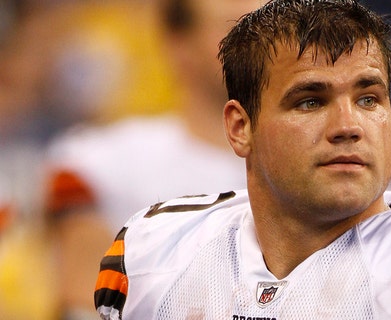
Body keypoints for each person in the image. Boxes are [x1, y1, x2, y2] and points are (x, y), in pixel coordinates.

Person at [94, 1, 391, 319]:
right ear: (241, 128)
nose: (348, 125)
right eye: (310, 101)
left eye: (369, 99)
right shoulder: (154, 251)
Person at [42, 0, 259, 317]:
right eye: (233, 26)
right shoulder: (105, 161)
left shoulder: (319, 159)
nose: (257, 41)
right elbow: (83, 305)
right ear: (179, 43)